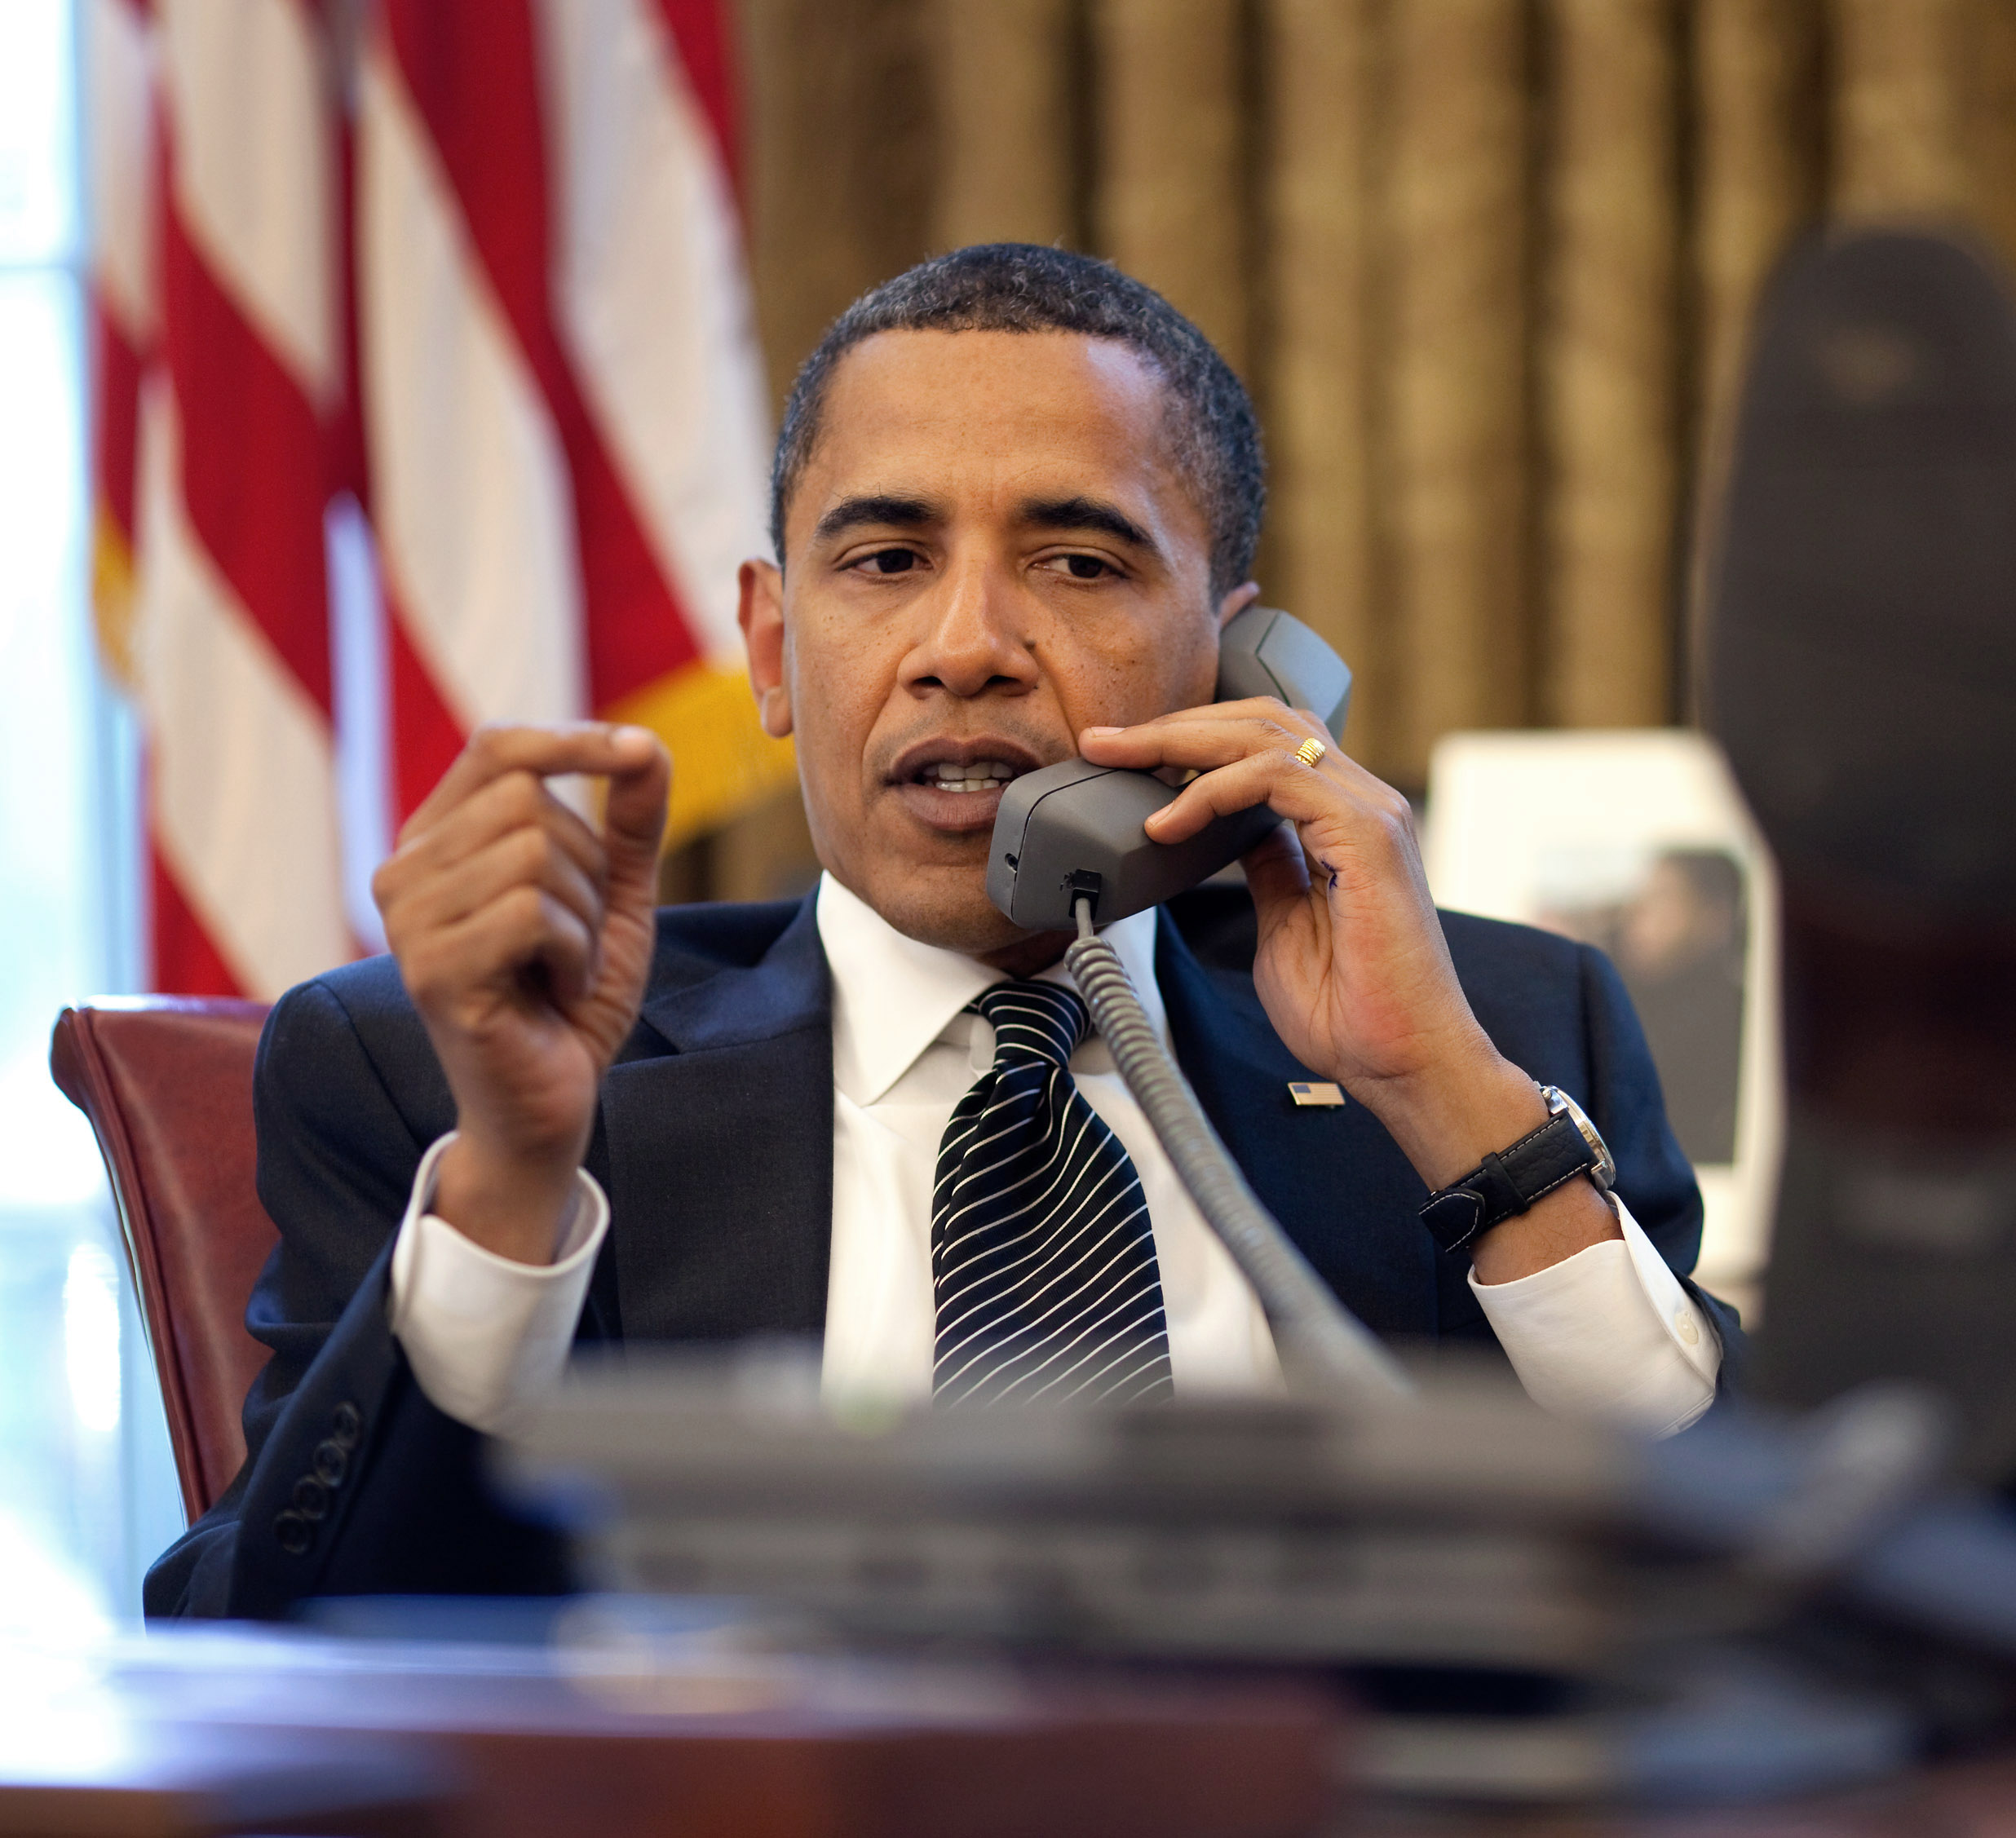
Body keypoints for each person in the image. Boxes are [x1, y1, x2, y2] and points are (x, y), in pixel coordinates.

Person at [151, 245, 1733, 1619]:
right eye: (887, 560)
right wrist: (508, 1178)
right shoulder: (452, 1072)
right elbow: (276, 1646)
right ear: (774, 651)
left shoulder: (1504, 1034)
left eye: (1077, 559)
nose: (964, 647)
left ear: (1238, 662)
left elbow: (1769, 1589)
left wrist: (1444, 1092)